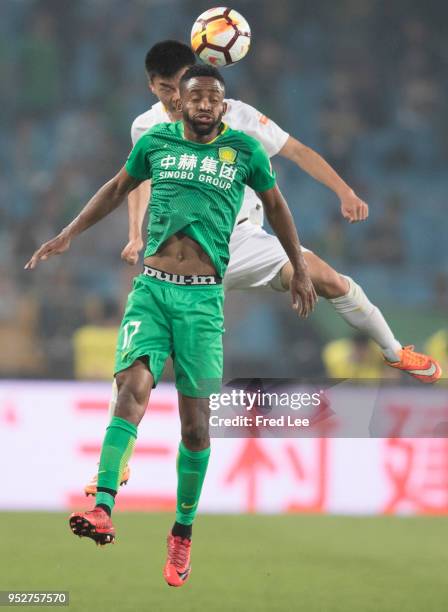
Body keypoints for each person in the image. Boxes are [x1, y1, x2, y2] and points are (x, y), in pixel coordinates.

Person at [84, 38, 442, 501]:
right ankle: (114, 466)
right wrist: (135, 233)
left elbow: (297, 151)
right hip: (181, 253)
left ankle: (395, 352)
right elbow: (136, 181)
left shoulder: (236, 115)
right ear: (152, 87)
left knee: (329, 278)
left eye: (182, 86)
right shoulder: (146, 128)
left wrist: (345, 191)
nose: (176, 97)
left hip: (244, 241)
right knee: (135, 357)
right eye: (166, 88)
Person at [25, 65, 317, 587]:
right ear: (180, 104)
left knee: (194, 426)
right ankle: (103, 505)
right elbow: (117, 189)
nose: (205, 105)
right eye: (196, 97)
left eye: (214, 98)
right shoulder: (156, 142)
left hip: (203, 302)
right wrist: (67, 233)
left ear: (223, 107)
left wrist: (297, 266)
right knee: (130, 391)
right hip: (152, 289)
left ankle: (181, 532)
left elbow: (277, 207)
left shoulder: (244, 152)